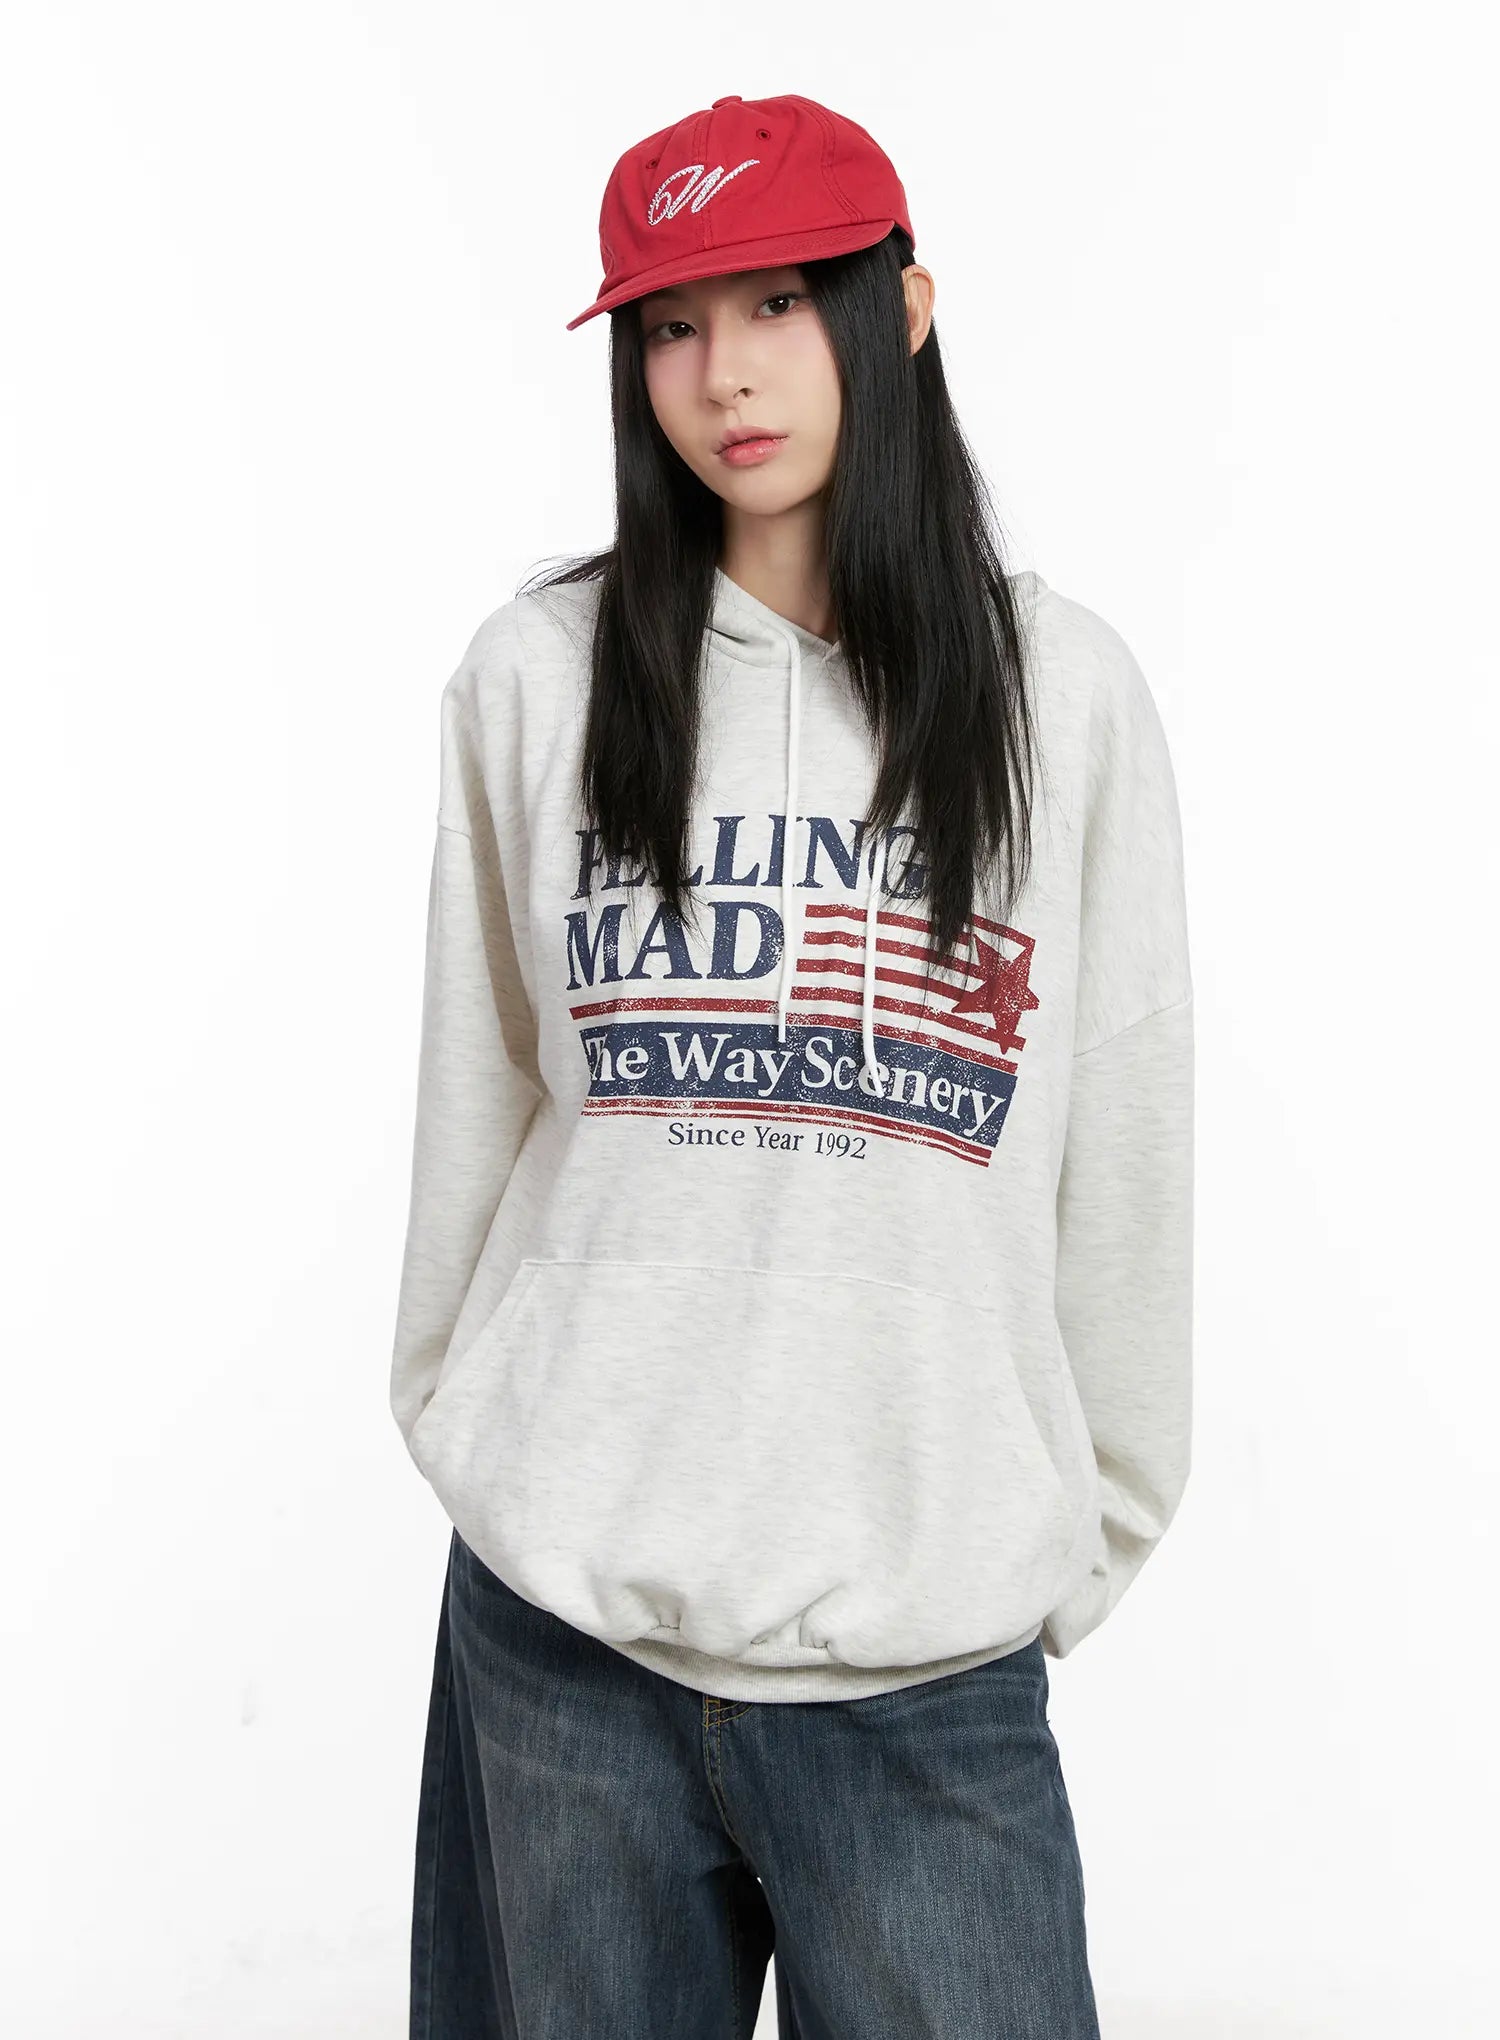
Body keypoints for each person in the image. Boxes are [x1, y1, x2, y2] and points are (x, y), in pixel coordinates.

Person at [390, 90, 1193, 2040]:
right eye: (670, 325)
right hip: (564, 1655)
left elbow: (1128, 1147)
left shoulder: (1062, 698)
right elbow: (476, 1108)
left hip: (926, 1673)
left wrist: (1053, 1539)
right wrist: (486, 1437)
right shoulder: (538, 681)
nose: (724, 377)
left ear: (899, 308)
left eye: (775, 304)